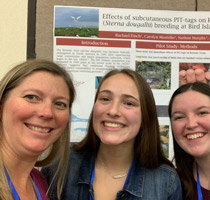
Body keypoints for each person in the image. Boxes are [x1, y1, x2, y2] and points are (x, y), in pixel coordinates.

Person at [42, 69, 182, 199]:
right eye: (105, 99)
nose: (113, 111)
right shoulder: (59, 166)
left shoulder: (165, 181)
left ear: (145, 115)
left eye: (128, 103)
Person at [0, 59, 75, 200]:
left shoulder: (39, 181)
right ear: (2, 105)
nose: (47, 113)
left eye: (60, 104)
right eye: (31, 97)